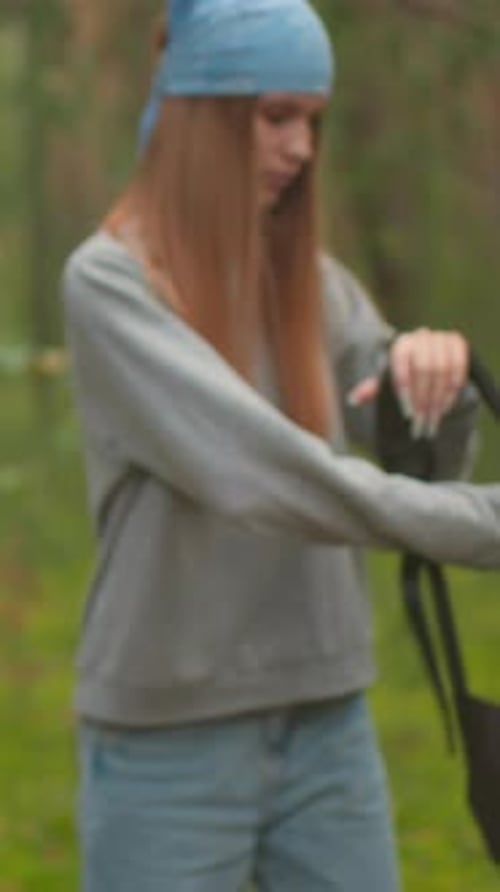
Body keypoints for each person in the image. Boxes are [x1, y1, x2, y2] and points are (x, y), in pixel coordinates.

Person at [62, 1, 500, 890]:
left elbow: (419, 465)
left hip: (326, 728)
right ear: (197, 113)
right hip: (167, 743)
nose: (302, 148)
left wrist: (434, 386)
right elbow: (267, 478)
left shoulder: (315, 282)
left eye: (313, 120)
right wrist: (481, 525)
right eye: (275, 116)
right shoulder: (109, 285)